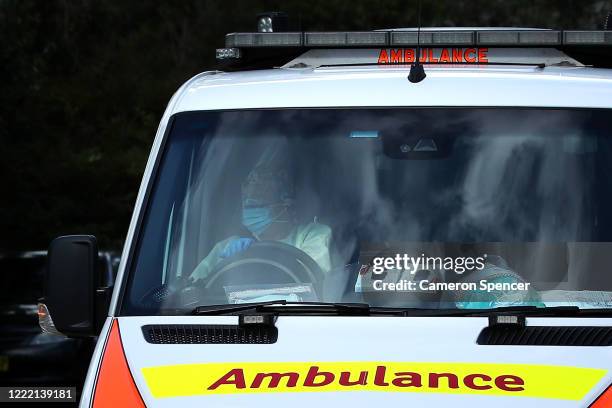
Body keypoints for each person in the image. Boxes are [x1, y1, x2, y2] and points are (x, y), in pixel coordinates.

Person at [190, 145, 332, 283]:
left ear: (286, 205)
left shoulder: (312, 236)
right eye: (248, 206)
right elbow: (193, 289)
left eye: (258, 205)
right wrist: (224, 263)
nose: (250, 213)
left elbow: (312, 281)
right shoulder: (227, 247)